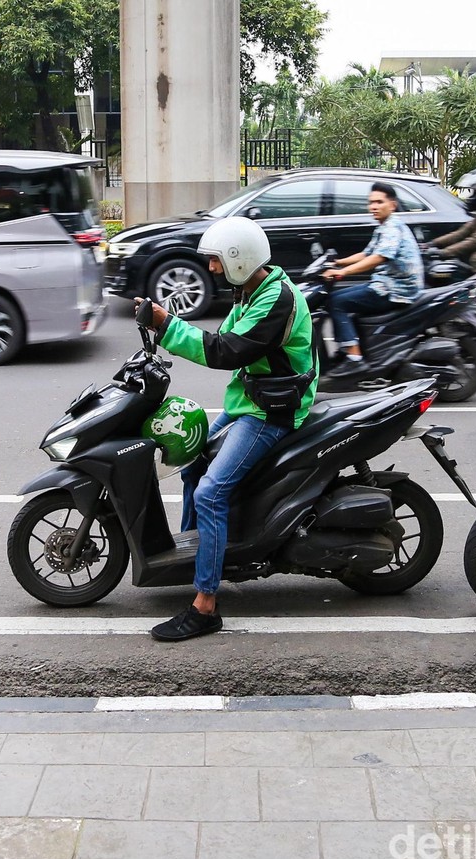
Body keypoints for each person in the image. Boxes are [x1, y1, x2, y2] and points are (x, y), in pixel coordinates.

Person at [135, 216, 317, 642]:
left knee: (210, 492)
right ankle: (196, 555)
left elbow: (225, 350)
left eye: (216, 261)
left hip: (270, 410)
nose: (212, 269)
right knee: (191, 462)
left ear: (238, 259)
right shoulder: (251, 290)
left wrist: (166, 325)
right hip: (249, 400)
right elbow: (225, 340)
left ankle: (205, 604)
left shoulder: (277, 300)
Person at [321, 181, 424, 381]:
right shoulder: (384, 227)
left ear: (392, 205)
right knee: (335, 298)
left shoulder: (392, 227)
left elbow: (379, 257)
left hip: (397, 289)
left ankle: (354, 358)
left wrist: (343, 272)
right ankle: (349, 347)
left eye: (379, 202)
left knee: (336, 302)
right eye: (371, 202)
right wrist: (336, 262)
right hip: (387, 283)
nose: (373, 207)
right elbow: (366, 253)